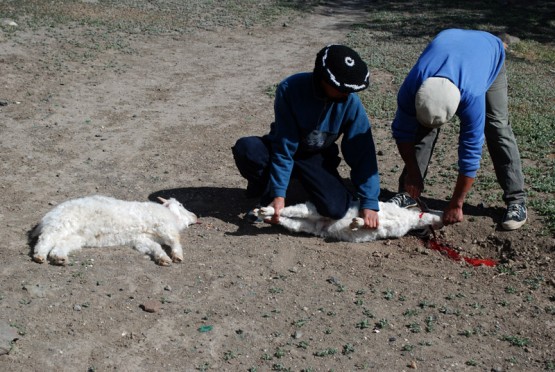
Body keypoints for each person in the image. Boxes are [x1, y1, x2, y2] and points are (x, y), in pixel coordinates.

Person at [390, 29, 527, 230]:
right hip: (451, 40)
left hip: (489, 53)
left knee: (497, 126)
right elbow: (402, 133)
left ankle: (517, 200)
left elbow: (470, 153)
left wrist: (457, 203)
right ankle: (407, 193)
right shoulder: (412, 86)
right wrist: (413, 173)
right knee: (422, 129)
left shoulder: (472, 97)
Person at [232, 44, 380, 229]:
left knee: (336, 210)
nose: (347, 94)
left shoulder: (350, 102)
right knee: (248, 149)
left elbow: (363, 154)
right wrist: (278, 194)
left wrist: (369, 202)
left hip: (316, 156)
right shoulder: (290, 88)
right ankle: (267, 187)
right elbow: (285, 146)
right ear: (323, 80)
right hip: (285, 146)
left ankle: (297, 186)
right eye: (340, 88)